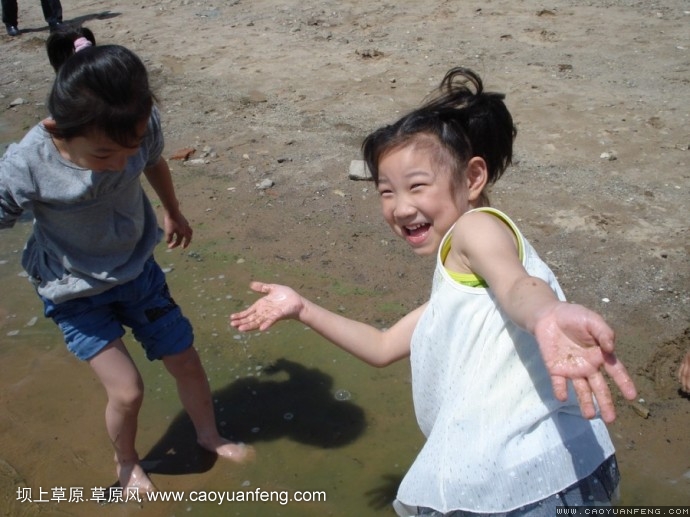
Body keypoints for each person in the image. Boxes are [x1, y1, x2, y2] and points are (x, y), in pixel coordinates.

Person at [231, 67, 638, 516]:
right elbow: (383, 345)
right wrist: (302, 307)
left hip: (516, 489)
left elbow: (518, 285)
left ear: (473, 177)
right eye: (386, 192)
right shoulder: (465, 290)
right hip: (573, 468)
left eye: (417, 186)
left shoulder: (475, 229)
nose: (401, 208)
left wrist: (545, 313)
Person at [0, 27, 252, 493]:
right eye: (103, 154)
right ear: (59, 129)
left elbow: (152, 159)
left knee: (186, 360)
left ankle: (209, 435)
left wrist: (172, 210)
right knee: (128, 390)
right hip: (72, 288)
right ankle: (127, 463)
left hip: (138, 272)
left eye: (129, 148)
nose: (120, 164)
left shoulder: (138, 123)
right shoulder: (27, 163)